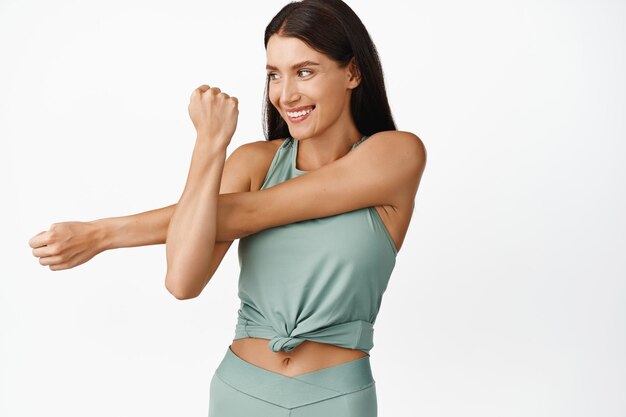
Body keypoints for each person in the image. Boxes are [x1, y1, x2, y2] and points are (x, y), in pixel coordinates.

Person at [28, 0, 426, 415]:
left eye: (304, 71)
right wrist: (210, 145)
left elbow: (250, 213)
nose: (285, 94)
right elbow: (182, 281)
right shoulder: (254, 162)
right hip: (240, 391)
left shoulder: (396, 154)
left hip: (337, 396)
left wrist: (102, 234)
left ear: (353, 72)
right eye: (274, 75)